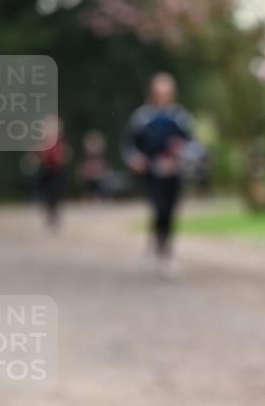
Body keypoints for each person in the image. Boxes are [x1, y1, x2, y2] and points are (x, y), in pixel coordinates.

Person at [121, 73, 195, 276]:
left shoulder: (180, 118)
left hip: (174, 172)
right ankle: (156, 246)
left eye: (167, 92)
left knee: (170, 211)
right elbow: (129, 146)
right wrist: (136, 160)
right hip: (152, 173)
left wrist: (180, 156)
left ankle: (166, 252)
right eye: (159, 92)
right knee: (158, 208)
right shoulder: (142, 117)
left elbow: (192, 145)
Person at [78, 130, 111, 201]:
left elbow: (105, 166)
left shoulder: (101, 156)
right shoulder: (86, 156)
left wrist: (102, 173)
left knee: (101, 186)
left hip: (99, 177)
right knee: (89, 188)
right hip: (90, 177)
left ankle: (101, 199)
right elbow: (82, 167)